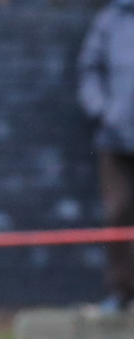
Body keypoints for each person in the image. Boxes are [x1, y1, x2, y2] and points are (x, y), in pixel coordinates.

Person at [78, 0, 134, 313]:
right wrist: (101, 110)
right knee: (118, 214)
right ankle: (121, 290)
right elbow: (89, 69)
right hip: (115, 139)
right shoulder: (109, 20)